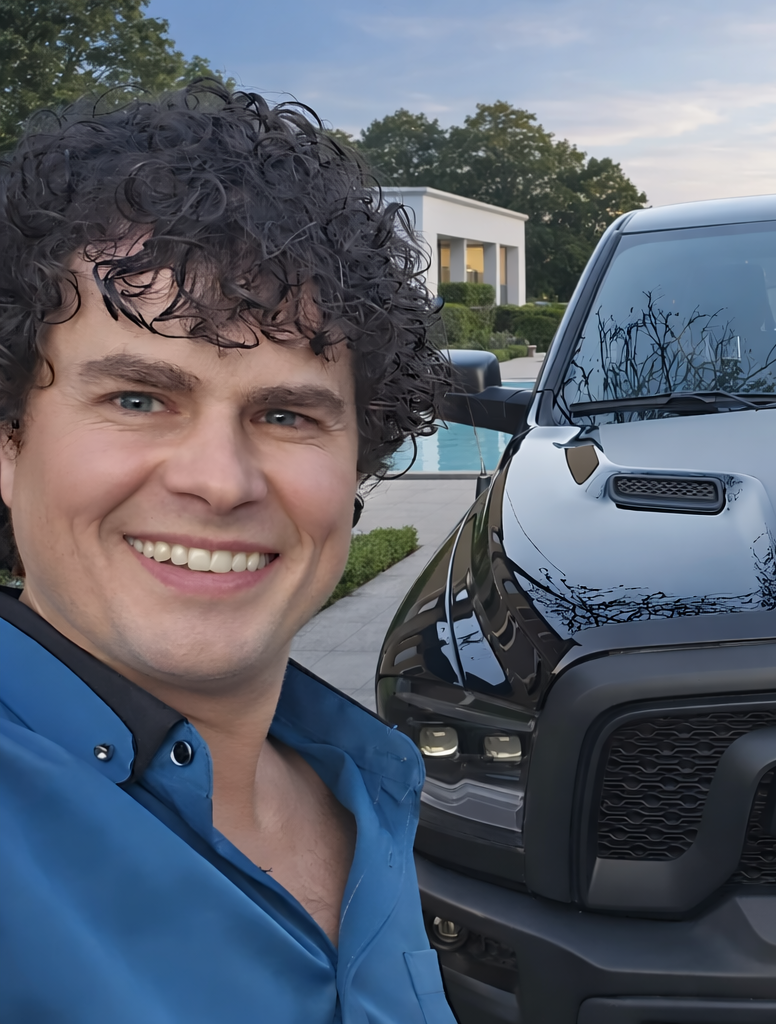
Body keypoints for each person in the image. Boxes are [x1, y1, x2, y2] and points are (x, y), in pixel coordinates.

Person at [0, 83, 455, 1022]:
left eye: (285, 415)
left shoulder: (357, 785)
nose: (220, 481)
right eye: (137, 399)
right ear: (11, 445)